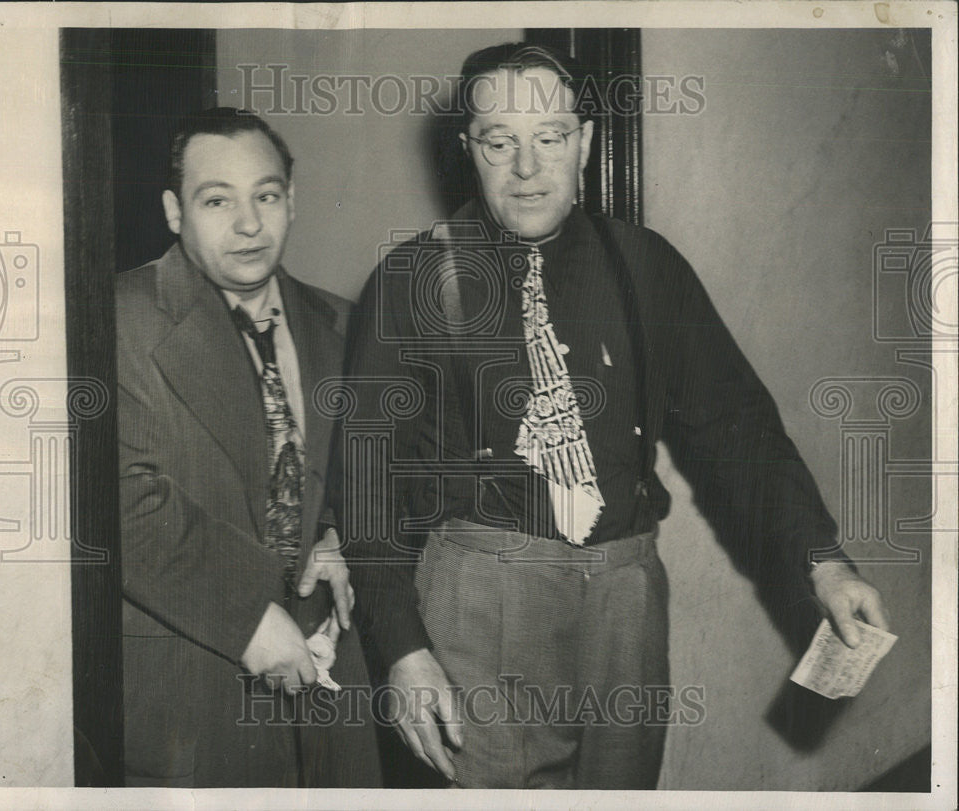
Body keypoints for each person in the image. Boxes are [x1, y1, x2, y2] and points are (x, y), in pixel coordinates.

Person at [335, 43, 889, 790]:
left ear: (587, 143)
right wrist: (402, 648)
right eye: (500, 142)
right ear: (468, 149)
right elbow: (366, 486)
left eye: (551, 139)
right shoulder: (410, 278)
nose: (527, 168)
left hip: (626, 603)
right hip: (481, 602)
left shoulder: (648, 265)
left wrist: (820, 560)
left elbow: (737, 428)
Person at [115, 107, 381, 787]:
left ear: (291, 200)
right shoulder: (118, 317)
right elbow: (120, 500)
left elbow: (362, 475)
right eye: (216, 200)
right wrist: (245, 615)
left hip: (326, 695)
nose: (248, 223)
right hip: (193, 690)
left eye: (265, 196)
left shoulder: (342, 324)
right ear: (175, 211)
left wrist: (337, 532)